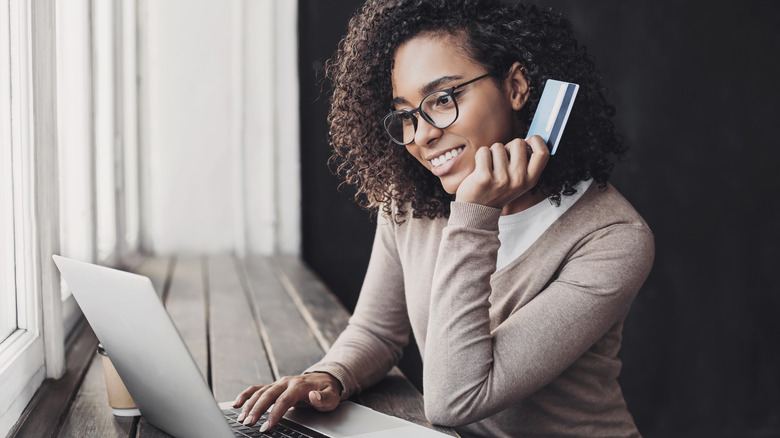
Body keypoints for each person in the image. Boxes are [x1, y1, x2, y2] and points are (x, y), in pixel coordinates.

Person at [233, 0, 655, 436]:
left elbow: (454, 399)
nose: (425, 133)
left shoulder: (612, 238)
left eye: (443, 98)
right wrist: (330, 375)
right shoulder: (410, 202)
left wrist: (476, 213)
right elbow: (378, 331)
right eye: (407, 114)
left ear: (515, 87)